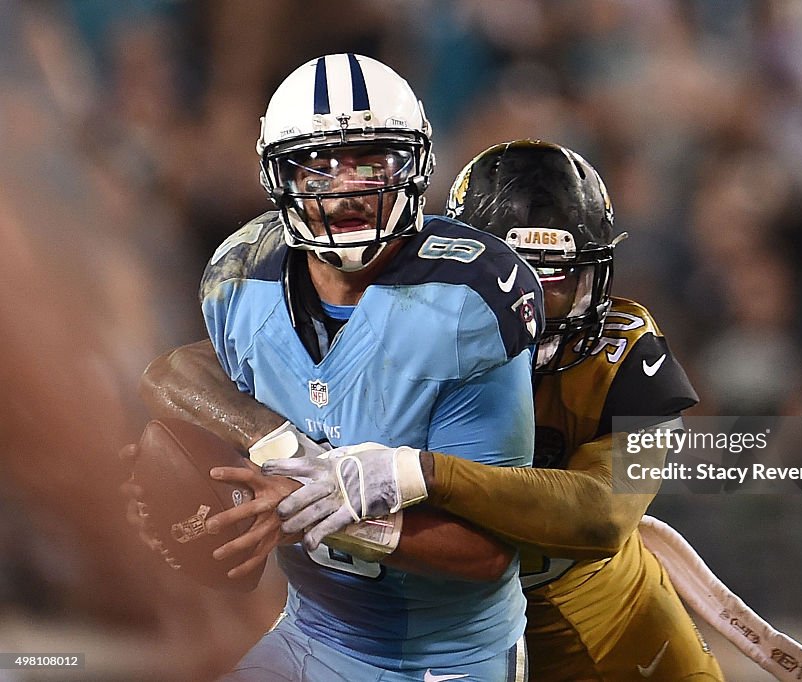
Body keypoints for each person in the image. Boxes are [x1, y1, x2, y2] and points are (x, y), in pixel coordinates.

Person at [147, 140, 725, 680]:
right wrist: (279, 455)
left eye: (561, 278)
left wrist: (416, 472)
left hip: (610, 638)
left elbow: (600, 515)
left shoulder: (619, 352)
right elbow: (182, 372)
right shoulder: (418, 324)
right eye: (517, 274)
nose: (536, 304)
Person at [125, 54, 542, 682]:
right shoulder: (244, 276)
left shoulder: (465, 304)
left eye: (372, 159)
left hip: (448, 658)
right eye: (318, 164)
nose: (346, 187)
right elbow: (178, 372)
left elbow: (488, 552)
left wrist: (305, 507)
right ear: (280, 177)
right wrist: (262, 459)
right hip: (311, 635)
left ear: (415, 165)